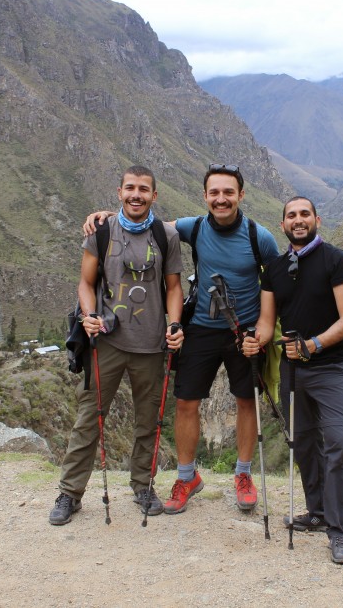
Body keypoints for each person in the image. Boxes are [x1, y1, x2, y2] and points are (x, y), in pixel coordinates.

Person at [85, 164, 278, 514]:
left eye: (228, 193)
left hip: (245, 330)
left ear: (241, 196)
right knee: (187, 402)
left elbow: (275, 284)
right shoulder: (195, 226)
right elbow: (148, 225)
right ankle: (187, 477)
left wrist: (264, 330)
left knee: (245, 402)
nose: (221, 199)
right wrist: (108, 218)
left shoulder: (258, 236)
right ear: (205, 196)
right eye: (214, 193)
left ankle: (243, 474)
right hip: (201, 326)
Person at [50, 165, 184, 526]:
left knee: (149, 422)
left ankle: (143, 485)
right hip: (106, 342)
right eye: (130, 188)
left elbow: (173, 288)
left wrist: (175, 324)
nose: (136, 195)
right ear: (119, 192)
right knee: (89, 418)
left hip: (153, 344)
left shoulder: (165, 235)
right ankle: (70, 493)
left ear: (154, 195)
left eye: (143, 189)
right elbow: (85, 282)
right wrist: (89, 315)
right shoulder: (102, 231)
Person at [242, 196, 343, 564]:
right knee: (304, 442)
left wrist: (312, 345)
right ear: (282, 225)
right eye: (291, 215)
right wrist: (254, 340)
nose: (298, 220)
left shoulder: (338, 262)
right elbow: (266, 321)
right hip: (293, 370)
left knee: (339, 442)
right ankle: (318, 512)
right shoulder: (274, 270)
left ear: (317, 219)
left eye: (304, 214)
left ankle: (340, 532)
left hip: (332, 368)